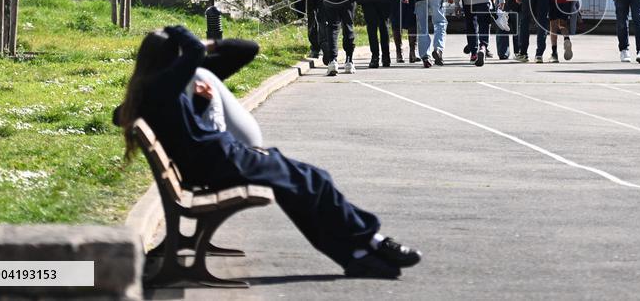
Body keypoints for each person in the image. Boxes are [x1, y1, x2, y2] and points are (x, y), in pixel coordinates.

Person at [115, 26, 421, 279]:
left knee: (304, 184)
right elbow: (194, 52)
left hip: (217, 160)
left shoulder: (151, 87)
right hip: (221, 162)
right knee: (312, 180)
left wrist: (199, 105)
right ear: (170, 57)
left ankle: (355, 254)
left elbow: (178, 128)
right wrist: (178, 31)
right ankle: (371, 241)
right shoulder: (162, 84)